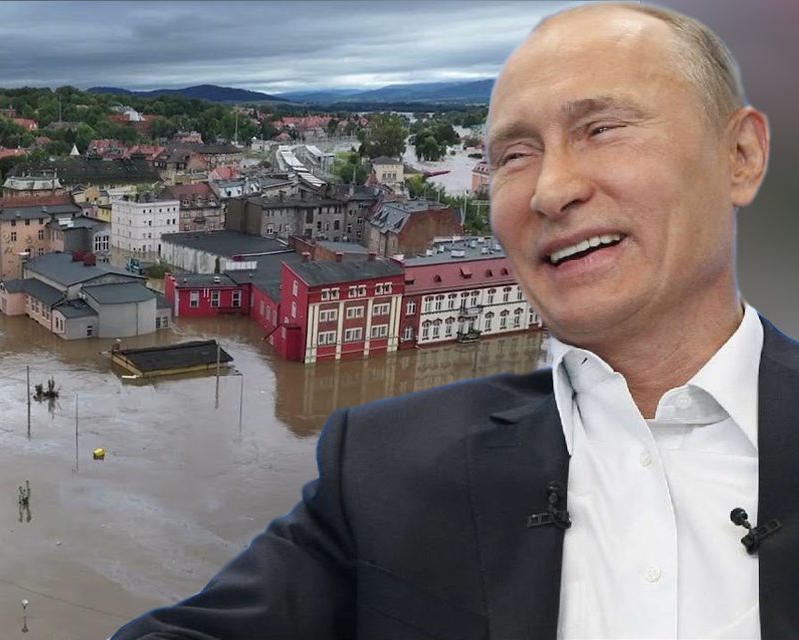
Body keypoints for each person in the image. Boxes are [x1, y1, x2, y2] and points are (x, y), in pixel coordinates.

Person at [112, 3, 795, 639]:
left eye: (602, 129)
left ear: (741, 156)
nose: (552, 189)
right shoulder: (386, 465)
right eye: (514, 155)